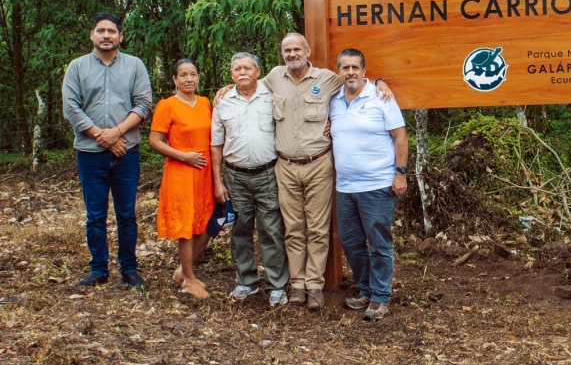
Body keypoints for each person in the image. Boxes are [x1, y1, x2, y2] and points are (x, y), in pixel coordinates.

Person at [257, 34, 391, 311]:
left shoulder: (327, 78)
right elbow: (249, 88)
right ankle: (297, 284)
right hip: (285, 166)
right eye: (287, 50)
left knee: (317, 228)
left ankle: (315, 286)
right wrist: (225, 90)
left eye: (297, 49)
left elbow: (357, 80)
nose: (292, 54)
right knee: (293, 228)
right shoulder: (274, 77)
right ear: (282, 54)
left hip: (318, 164)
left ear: (308, 51)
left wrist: (381, 82)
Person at [62, 12, 153, 288]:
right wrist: (101, 136)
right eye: (100, 30)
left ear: (120, 37)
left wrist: (116, 132)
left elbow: (144, 105)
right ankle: (98, 270)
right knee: (95, 215)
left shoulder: (135, 66)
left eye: (111, 31)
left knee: (126, 213)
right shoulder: (76, 68)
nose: (106, 35)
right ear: (92, 35)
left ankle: (129, 270)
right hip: (90, 153)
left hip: (126, 152)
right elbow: (71, 108)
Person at [330, 48, 408, 322]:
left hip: (377, 185)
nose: (350, 72)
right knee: (351, 243)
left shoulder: (380, 96)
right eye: (345, 67)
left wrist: (400, 174)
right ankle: (364, 289)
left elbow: (400, 137)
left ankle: (380, 296)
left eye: (355, 67)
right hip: (345, 187)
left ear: (364, 71)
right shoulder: (334, 100)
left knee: (378, 242)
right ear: (338, 71)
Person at [211, 53, 289, 306]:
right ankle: (246, 281)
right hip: (235, 176)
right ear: (231, 74)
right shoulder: (223, 102)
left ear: (258, 71)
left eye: (247, 67)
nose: (242, 72)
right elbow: (216, 145)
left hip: (268, 173)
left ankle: (277, 284)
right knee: (240, 229)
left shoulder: (271, 93)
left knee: (271, 229)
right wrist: (217, 181)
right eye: (236, 69)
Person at [148, 59, 215, 299]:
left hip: (205, 171)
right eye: (183, 75)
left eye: (193, 74)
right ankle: (189, 278)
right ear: (174, 79)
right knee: (185, 227)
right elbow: (154, 141)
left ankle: (182, 269)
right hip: (181, 170)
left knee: (208, 224)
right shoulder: (167, 105)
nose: (189, 79)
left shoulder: (206, 103)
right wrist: (183, 156)